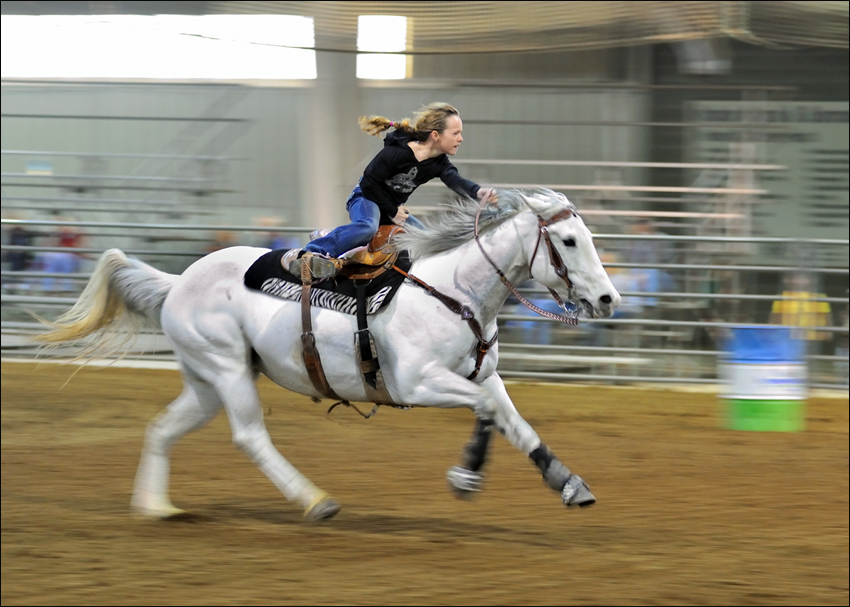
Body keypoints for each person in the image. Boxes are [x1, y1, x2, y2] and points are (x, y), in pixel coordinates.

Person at [283, 102, 497, 277]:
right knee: (367, 227)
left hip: (390, 208)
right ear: (435, 135)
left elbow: (455, 180)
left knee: (426, 239)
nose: (461, 138)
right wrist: (393, 212)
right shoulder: (397, 153)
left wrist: (478, 192)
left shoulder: (439, 163)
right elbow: (369, 184)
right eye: (456, 133)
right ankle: (312, 251)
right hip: (365, 198)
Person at [770, 273, 831, 350]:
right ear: (786, 280)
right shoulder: (781, 298)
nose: (798, 281)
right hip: (787, 341)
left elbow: (827, 323)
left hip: (811, 341)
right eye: (793, 278)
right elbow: (774, 322)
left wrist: (824, 335)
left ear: (813, 280)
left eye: (803, 278)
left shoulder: (820, 298)